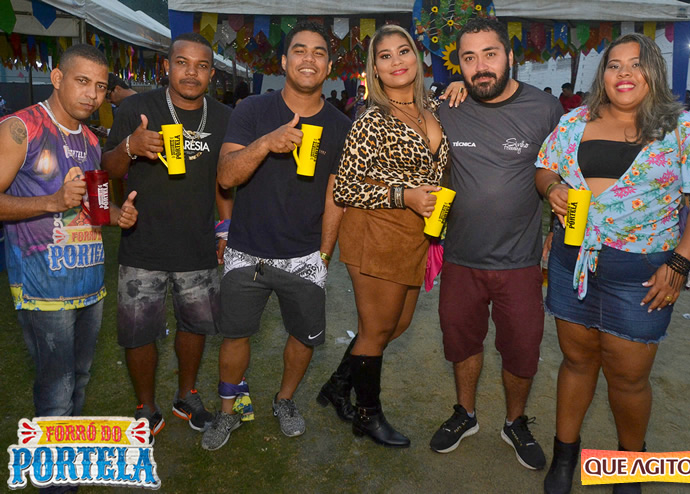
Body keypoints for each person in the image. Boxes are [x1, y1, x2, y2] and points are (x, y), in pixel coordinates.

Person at [535, 34, 690, 494]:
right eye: (614, 65)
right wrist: (551, 188)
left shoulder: (684, 129)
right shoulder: (574, 122)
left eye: (636, 64)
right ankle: (565, 456)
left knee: (628, 378)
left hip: (641, 275)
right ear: (603, 75)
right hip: (572, 264)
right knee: (576, 361)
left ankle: (630, 466)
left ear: (654, 72)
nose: (624, 73)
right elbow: (545, 167)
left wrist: (680, 264)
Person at [200, 21, 351, 451]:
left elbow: (335, 196)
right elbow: (226, 177)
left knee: (303, 336)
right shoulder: (252, 111)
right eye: (300, 50)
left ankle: (284, 400)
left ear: (329, 66)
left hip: (305, 255)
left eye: (319, 52)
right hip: (247, 250)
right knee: (235, 335)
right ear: (284, 61)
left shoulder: (341, 125)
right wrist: (267, 143)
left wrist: (324, 254)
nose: (309, 59)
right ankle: (227, 411)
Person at [429, 17, 563, 470]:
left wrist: (558, 230)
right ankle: (465, 414)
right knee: (461, 342)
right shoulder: (448, 107)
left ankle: (515, 422)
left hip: (520, 261)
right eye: (469, 58)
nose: (480, 66)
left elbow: (562, 172)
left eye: (490, 54)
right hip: (461, 258)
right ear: (459, 66)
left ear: (509, 56)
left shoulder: (545, 108)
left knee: (522, 349)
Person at [317, 24, 449, 448]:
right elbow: (344, 188)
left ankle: (339, 384)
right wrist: (404, 194)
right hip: (374, 231)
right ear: (374, 68)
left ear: (418, 57)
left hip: (414, 235)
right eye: (385, 55)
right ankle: (367, 415)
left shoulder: (433, 109)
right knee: (376, 329)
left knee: (397, 324)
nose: (396, 61)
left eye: (403, 51)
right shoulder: (372, 120)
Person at [102, 32, 233, 439]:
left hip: (198, 245)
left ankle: (186, 396)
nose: (191, 73)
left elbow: (225, 180)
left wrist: (225, 228)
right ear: (166, 66)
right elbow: (107, 169)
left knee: (195, 326)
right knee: (138, 332)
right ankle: (145, 406)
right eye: (182, 63)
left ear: (211, 73)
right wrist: (130, 145)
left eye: (201, 66)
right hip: (143, 244)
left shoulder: (225, 118)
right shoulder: (136, 108)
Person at [0, 44, 138, 430]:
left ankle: (67, 453)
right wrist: (52, 201)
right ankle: (55, 467)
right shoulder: (21, 128)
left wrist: (119, 216)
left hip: (90, 286)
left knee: (79, 381)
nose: (91, 94)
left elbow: (93, 208)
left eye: (100, 86)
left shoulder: (91, 140)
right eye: (82, 81)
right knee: (57, 391)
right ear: (57, 78)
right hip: (43, 290)